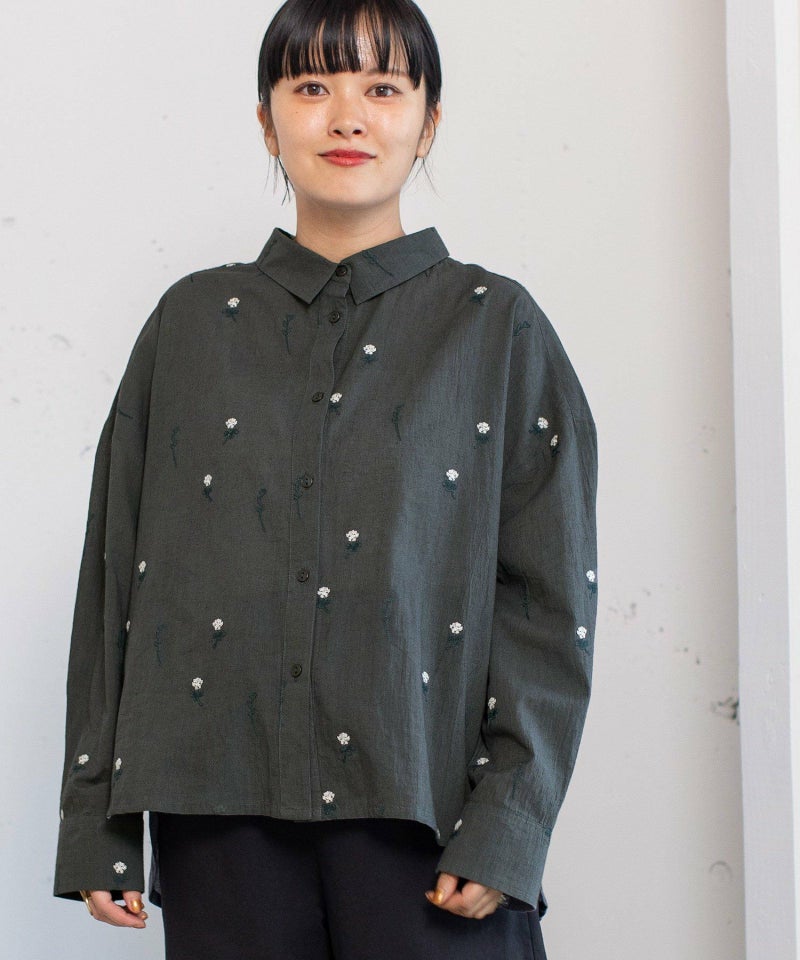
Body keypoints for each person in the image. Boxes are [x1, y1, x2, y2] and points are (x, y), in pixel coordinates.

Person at [52, 1, 598, 957]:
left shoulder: (497, 329)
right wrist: (96, 821)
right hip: (217, 820)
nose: (347, 116)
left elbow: (548, 605)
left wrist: (510, 822)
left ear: (429, 120)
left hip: (431, 823)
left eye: (382, 88)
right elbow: (115, 575)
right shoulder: (189, 325)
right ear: (268, 121)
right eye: (312, 86)